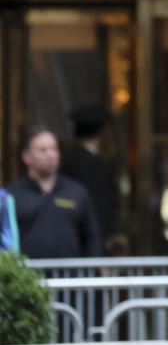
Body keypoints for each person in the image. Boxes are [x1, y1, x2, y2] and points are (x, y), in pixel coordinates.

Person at [5, 125, 102, 258]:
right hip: (26, 277)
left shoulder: (77, 192)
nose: (50, 155)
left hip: (70, 276)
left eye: (54, 149)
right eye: (42, 150)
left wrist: (89, 273)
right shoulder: (10, 195)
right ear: (26, 156)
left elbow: (92, 239)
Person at [61, 104, 120, 253]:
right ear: (100, 132)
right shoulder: (93, 164)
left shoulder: (72, 160)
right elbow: (98, 205)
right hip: (91, 242)